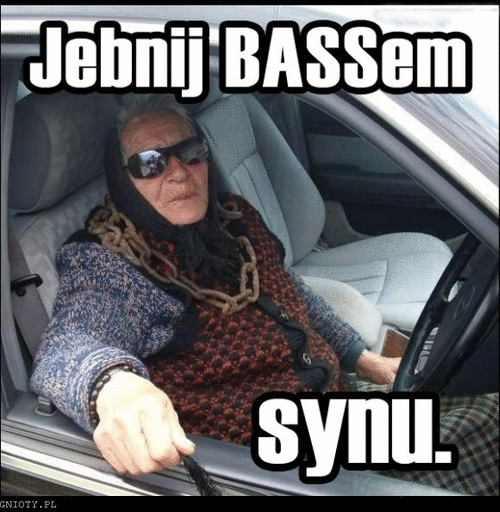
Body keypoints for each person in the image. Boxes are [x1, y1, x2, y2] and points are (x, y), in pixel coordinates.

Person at [30, 95, 497, 496]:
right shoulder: (109, 263)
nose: (178, 173)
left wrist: (362, 357)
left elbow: (290, 292)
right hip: (280, 461)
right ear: (122, 178)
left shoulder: (233, 217)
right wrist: (112, 386)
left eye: (190, 152)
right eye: (150, 162)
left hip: (338, 401)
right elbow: (68, 344)